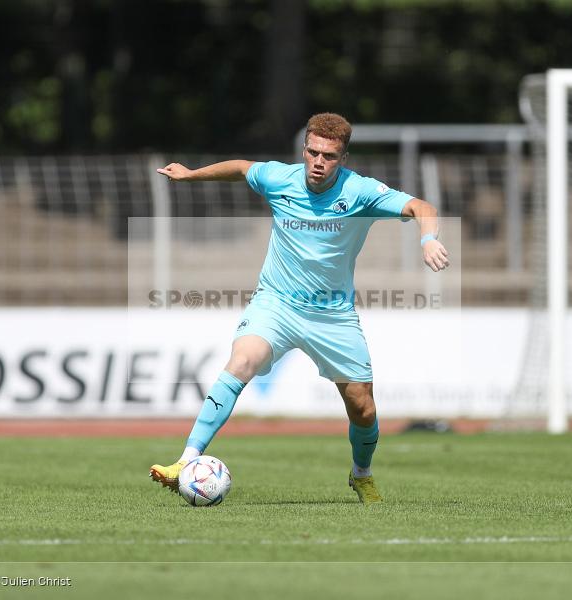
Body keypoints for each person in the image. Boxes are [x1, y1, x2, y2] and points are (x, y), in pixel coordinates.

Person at [149, 113, 448, 504]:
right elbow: (241, 168)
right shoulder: (279, 178)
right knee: (241, 362)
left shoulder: (360, 191)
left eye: (330, 155)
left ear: (343, 157)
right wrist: (191, 175)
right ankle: (185, 460)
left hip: (333, 315)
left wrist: (427, 239)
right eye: (313, 152)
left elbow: (421, 206)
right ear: (304, 149)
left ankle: (362, 474)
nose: (319, 162)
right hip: (276, 303)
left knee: (362, 406)